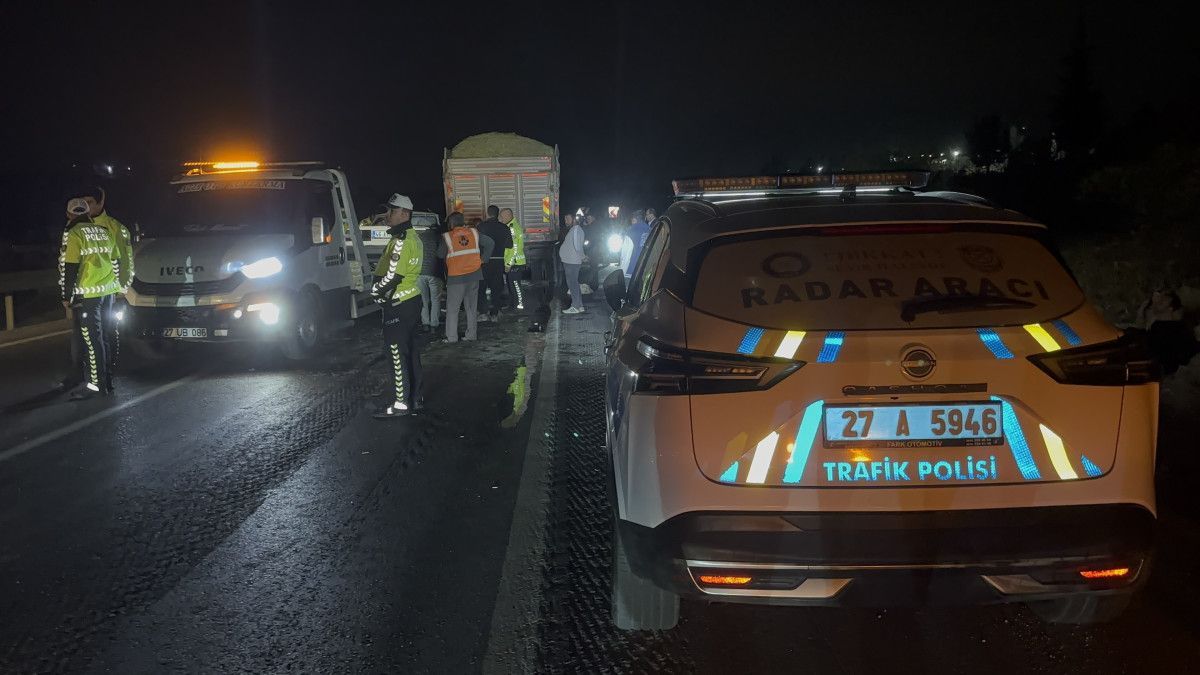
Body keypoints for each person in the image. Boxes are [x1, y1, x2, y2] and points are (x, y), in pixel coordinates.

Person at [59, 198, 122, 400]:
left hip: (88, 295)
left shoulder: (74, 234)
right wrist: (116, 287)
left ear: (69, 215)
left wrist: (66, 296)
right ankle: (107, 381)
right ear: (87, 213)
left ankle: (96, 385)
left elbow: (70, 268)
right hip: (107, 292)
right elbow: (116, 261)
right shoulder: (104, 231)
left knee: (92, 340)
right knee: (104, 338)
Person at [370, 194, 425, 419]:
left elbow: (394, 275)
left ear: (404, 214)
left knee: (396, 354)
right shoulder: (412, 237)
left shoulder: (402, 240)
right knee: (411, 353)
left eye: (392, 212)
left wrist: (376, 291)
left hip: (398, 304)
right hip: (409, 302)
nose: (388, 216)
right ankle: (415, 398)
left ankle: (401, 404)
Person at [84, 186, 133, 389]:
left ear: (101, 202)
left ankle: (106, 373)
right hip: (84, 292)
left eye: (90, 202)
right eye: (83, 202)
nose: (86, 207)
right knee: (86, 337)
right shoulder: (78, 227)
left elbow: (126, 260)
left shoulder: (115, 227)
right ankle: (88, 375)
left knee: (106, 333)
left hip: (108, 292)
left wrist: (123, 287)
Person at [437, 211, 493, 342]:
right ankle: (471, 335)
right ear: (463, 221)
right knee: (471, 308)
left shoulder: (448, 236)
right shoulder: (474, 233)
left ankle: (452, 337)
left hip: (456, 277)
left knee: (453, 309)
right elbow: (490, 243)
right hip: (474, 274)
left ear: (451, 223)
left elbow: (440, 254)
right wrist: (483, 260)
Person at [476, 205, 513, 322]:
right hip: (498, 261)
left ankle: (483, 313)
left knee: (481, 287)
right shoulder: (504, 227)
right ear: (498, 215)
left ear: (487, 214)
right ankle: (495, 314)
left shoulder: (481, 227)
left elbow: (476, 244)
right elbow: (510, 245)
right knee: (496, 288)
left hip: (483, 261)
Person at [415, 216, 444, 333]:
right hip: (434, 272)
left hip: (420, 273)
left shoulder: (418, 238)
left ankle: (425, 323)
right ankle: (434, 324)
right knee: (435, 300)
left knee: (424, 300)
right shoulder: (439, 238)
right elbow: (441, 254)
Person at [559, 211, 587, 314]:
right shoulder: (575, 229)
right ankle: (580, 306)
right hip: (571, 260)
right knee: (574, 283)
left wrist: (582, 257)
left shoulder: (576, 230)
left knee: (572, 284)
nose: (566, 221)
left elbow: (577, 246)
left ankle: (575, 306)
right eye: (565, 219)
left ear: (574, 219)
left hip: (572, 261)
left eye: (568, 219)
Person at [501, 207, 526, 310]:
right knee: (512, 285)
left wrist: (508, 264)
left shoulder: (512, 229)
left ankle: (519, 305)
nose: (501, 219)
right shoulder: (512, 226)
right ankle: (513, 305)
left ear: (508, 216)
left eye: (502, 217)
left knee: (515, 285)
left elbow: (514, 249)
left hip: (515, 263)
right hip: (515, 262)